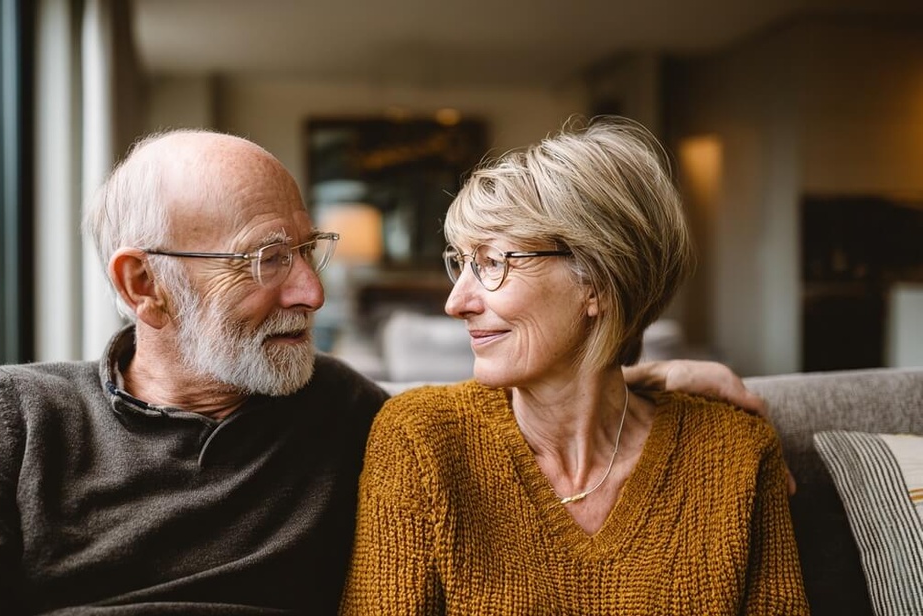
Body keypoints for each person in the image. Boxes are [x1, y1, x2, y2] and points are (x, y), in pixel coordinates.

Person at [0, 129, 775, 615]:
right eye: (266, 259)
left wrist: (648, 374)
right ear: (145, 284)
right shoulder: (17, 416)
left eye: (309, 249)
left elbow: (507, 426)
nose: (310, 289)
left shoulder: (344, 411)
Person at [340, 118, 809, 614]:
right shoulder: (421, 441)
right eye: (461, 261)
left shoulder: (733, 453)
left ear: (598, 284)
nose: (457, 302)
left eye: (494, 263)